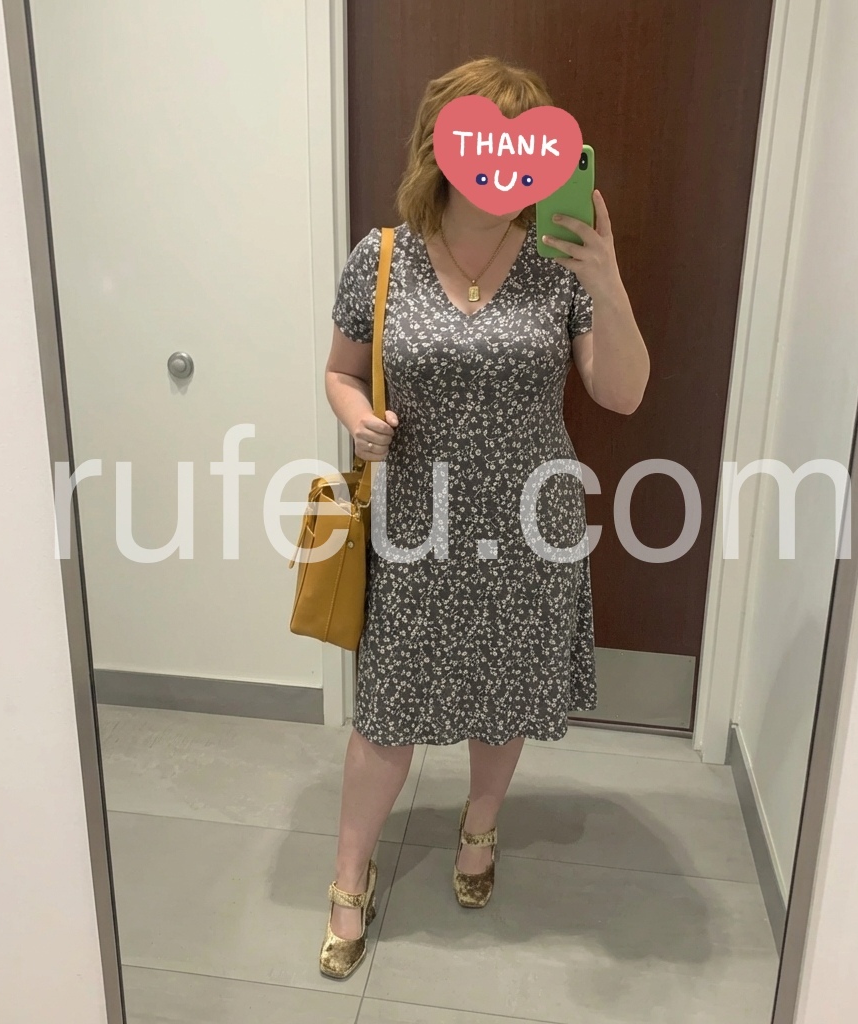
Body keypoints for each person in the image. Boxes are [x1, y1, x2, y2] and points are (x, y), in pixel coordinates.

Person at [318, 55, 650, 979]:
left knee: (502, 694)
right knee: (387, 711)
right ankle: (349, 873)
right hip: (416, 523)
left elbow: (622, 393)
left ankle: (480, 827)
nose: (506, 170)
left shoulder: (559, 263)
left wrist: (608, 276)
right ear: (442, 147)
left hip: (531, 523)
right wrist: (358, 420)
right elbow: (340, 371)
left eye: (526, 149)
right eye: (486, 144)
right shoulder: (381, 257)